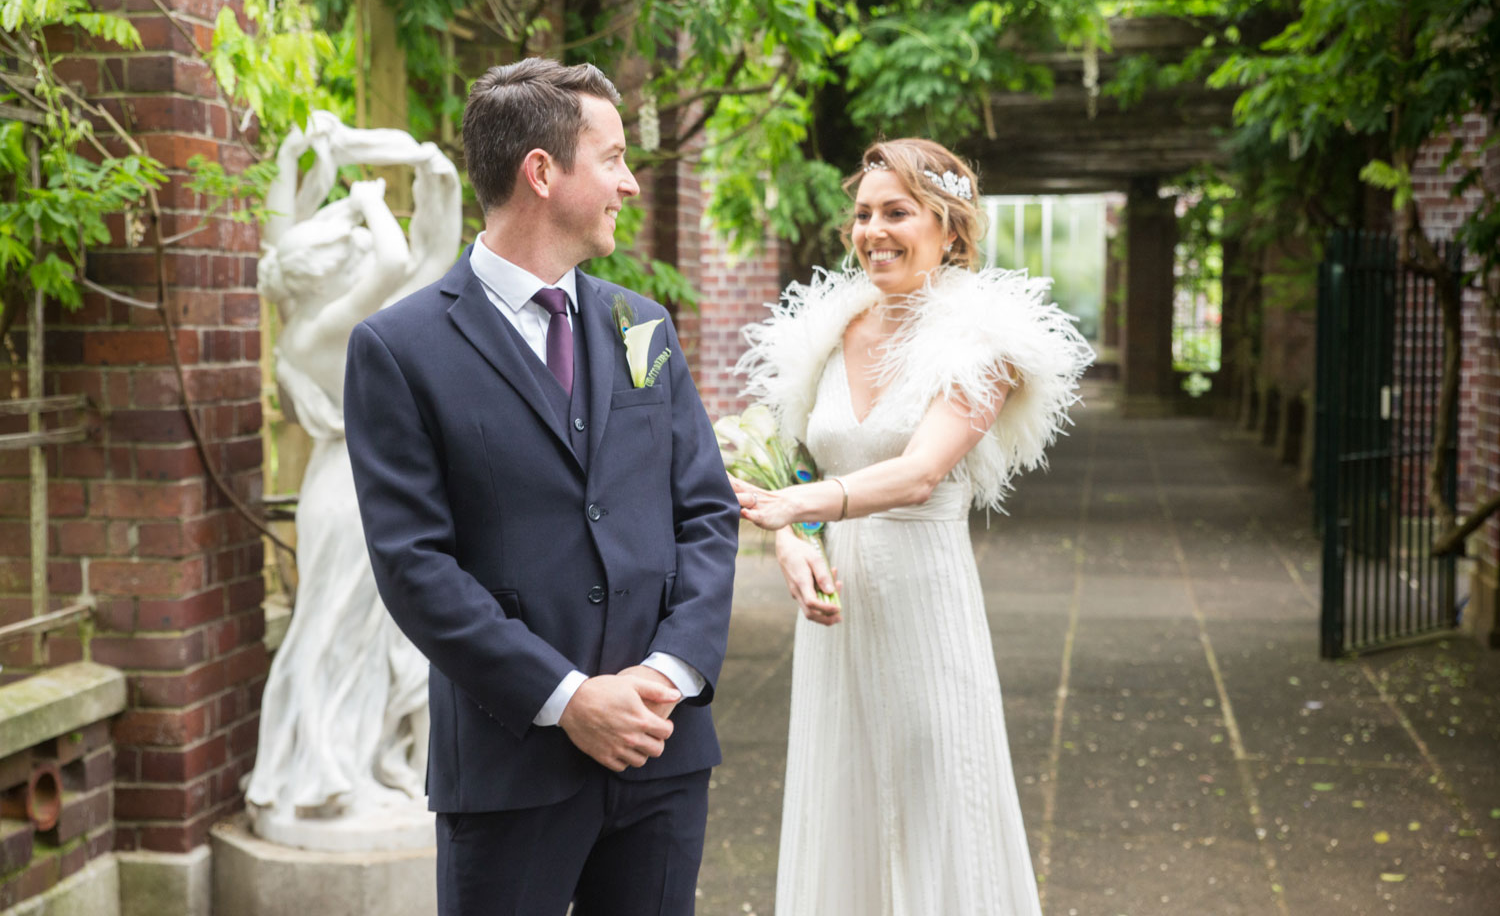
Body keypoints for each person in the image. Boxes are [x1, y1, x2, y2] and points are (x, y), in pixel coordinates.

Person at [343, 58, 739, 915]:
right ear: (542, 171)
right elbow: (415, 566)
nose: (630, 184)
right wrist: (568, 701)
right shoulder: (398, 349)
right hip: (510, 763)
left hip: (662, 750)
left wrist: (668, 673)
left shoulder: (644, 326)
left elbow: (705, 511)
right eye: (614, 158)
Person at [734, 138, 1093, 915]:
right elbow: (796, 467)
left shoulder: (984, 345)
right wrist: (792, 542)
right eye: (863, 214)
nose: (873, 231)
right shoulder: (825, 339)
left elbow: (920, 470)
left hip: (923, 604)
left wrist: (799, 507)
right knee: (841, 798)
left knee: (936, 799)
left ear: (949, 230)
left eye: (897, 212)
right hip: (833, 616)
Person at [248, 117, 459, 838]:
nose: (358, 249)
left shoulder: (299, 317)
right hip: (354, 492)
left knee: (362, 631)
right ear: (330, 270)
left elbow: (282, 239)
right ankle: (321, 766)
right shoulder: (328, 324)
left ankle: (359, 756)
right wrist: (367, 197)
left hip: (343, 486)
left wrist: (292, 159)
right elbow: (402, 260)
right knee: (331, 627)